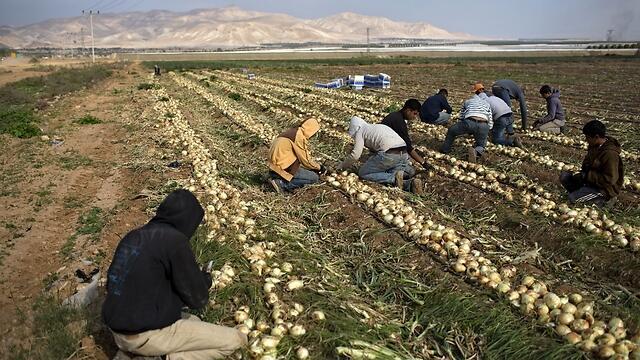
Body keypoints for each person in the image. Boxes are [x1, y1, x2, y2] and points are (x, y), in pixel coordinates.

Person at [103, 189, 247, 360]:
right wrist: (204, 280)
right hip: (143, 334)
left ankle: (135, 351)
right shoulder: (175, 241)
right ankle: (160, 357)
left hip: (118, 330)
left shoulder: (134, 236)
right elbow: (197, 299)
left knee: (194, 321)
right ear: (188, 220)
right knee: (236, 340)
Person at [339, 116, 423, 194]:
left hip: (390, 155)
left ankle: (393, 179)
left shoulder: (360, 131)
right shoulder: (377, 126)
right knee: (390, 170)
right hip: (404, 153)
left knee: (363, 173)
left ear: (355, 129)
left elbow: (355, 155)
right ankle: (409, 180)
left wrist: (342, 167)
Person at [559, 120, 623, 207]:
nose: (586, 140)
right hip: (591, 182)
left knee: (572, 198)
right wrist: (582, 173)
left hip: (604, 189)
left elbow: (610, 179)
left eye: (587, 137)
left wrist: (587, 175)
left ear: (596, 137)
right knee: (565, 176)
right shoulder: (594, 146)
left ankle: (604, 201)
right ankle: (583, 194)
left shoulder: (610, 154)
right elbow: (588, 164)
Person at [268, 118, 325, 193]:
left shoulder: (292, 131)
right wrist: (319, 167)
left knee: (303, 171)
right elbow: (306, 161)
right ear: (311, 129)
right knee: (314, 178)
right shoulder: (299, 137)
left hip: (273, 166)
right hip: (282, 167)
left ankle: (274, 177)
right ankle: (281, 184)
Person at [441, 83, 492, 163]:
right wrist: (487, 129)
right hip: (484, 124)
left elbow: (461, 116)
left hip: (470, 121)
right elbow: (490, 119)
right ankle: (476, 151)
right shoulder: (487, 104)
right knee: (481, 144)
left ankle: (445, 150)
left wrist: (465, 129)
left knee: (452, 130)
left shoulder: (468, 101)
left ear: (474, 94)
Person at [381, 98, 430, 170]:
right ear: (408, 110)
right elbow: (408, 147)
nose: (415, 117)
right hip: (383, 151)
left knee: (408, 157)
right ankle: (390, 175)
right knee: (409, 171)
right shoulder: (399, 122)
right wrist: (423, 163)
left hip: (383, 145)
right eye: (414, 113)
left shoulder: (395, 115)